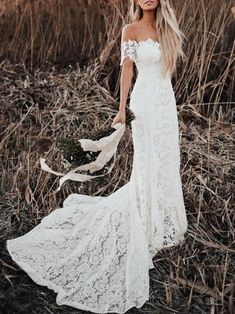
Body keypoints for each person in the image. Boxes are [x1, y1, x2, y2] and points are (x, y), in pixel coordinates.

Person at [6, 0, 188, 313]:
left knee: (167, 162)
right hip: (143, 104)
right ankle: (144, 221)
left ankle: (163, 220)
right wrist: (121, 110)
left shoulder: (168, 29)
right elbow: (127, 71)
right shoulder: (130, 29)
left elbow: (167, 73)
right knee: (145, 165)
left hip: (165, 104)